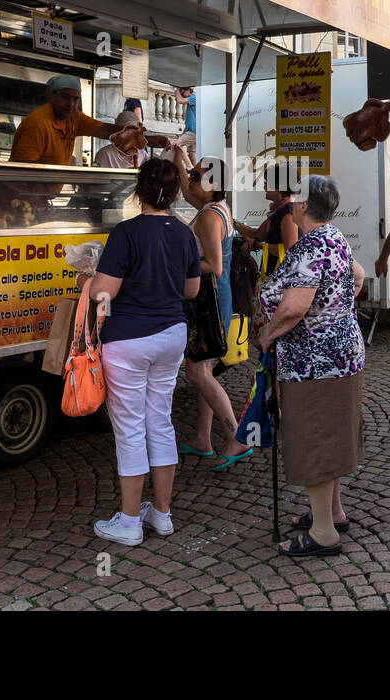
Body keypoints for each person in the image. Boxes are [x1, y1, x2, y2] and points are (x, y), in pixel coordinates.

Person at [88, 158, 200, 546]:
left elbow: (104, 293)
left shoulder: (126, 232)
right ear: (173, 193)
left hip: (128, 341)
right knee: (160, 422)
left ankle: (131, 522)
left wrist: (89, 279)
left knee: (131, 430)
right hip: (171, 336)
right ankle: (163, 515)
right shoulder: (186, 234)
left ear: (139, 191)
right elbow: (192, 291)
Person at [257, 175, 366, 556]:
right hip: (340, 355)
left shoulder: (309, 248)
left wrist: (267, 335)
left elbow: (293, 308)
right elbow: (358, 274)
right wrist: (338, 309)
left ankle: (323, 534)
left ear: (302, 207)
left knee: (315, 439)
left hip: (313, 363)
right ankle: (332, 513)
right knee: (332, 435)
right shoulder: (333, 237)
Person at [170, 148, 248, 471]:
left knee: (197, 372)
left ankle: (236, 435)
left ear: (214, 183)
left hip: (209, 302)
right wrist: (181, 157)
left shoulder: (211, 217)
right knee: (204, 372)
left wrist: (176, 267)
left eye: (198, 176)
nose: (191, 180)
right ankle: (203, 438)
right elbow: (189, 190)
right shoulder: (214, 208)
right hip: (215, 300)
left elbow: (214, 266)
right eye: (192, 173)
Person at [12, 75, 168, 166]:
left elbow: (108, 131)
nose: (71, 104)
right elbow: (23, 173)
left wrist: (147, 139)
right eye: (65, 97)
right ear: (51, 96)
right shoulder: (38, 125)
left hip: (43, 197)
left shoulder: (74, 118)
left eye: (75, 99)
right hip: (23, 198)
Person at [233, 164, 300, 278]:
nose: (264, 187)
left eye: (266, 182)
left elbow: (289, 251)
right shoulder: (279, 211)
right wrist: (233, 222)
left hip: (282, 281)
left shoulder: (288, 213)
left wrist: (258, 245)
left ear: (279, 187)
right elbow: (256, 234)